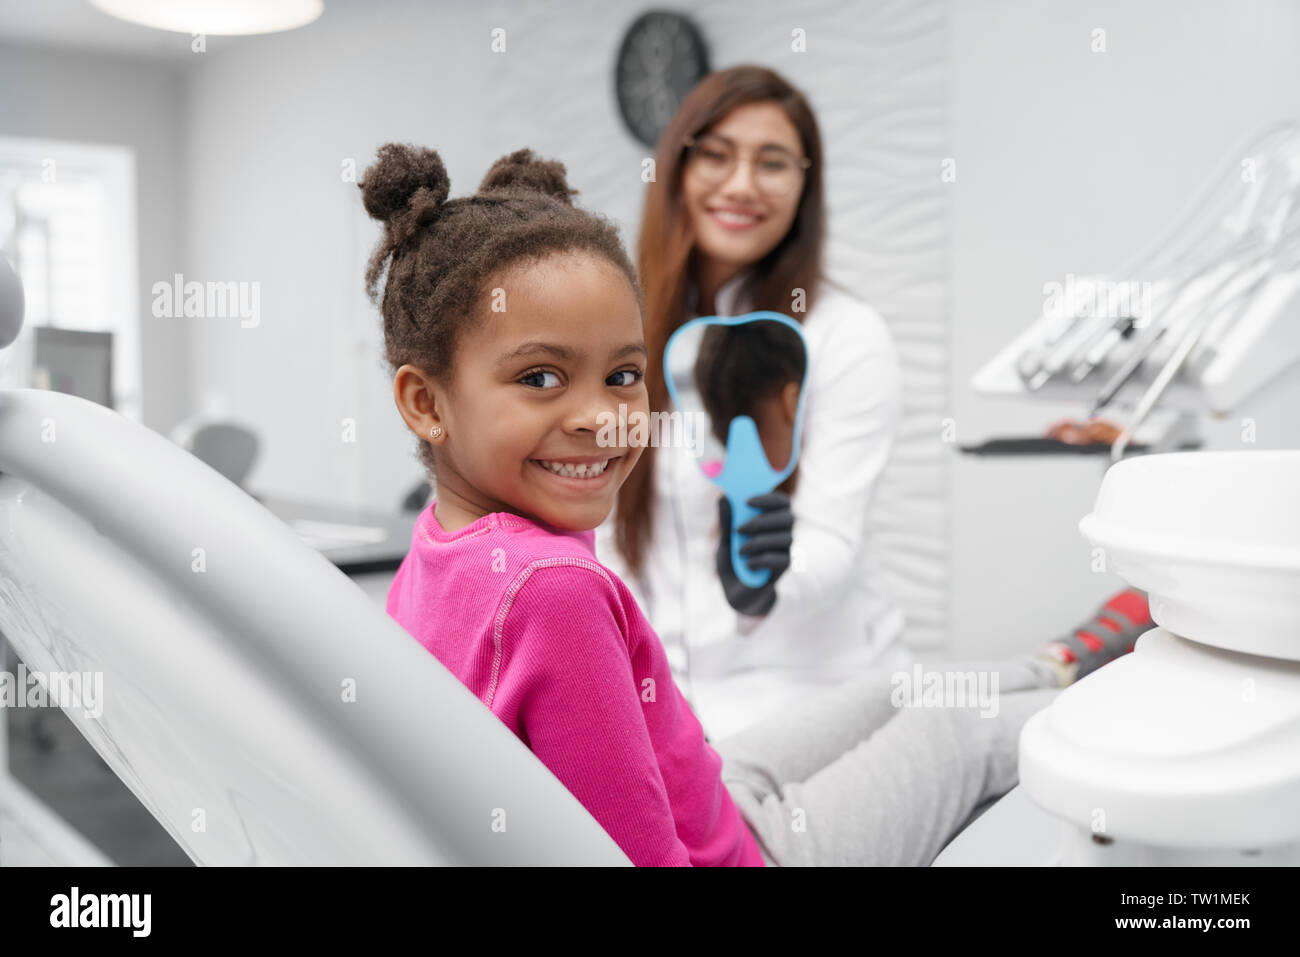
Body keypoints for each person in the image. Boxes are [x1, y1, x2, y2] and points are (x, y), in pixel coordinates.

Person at [367, 142, 1153, 866]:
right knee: (959, 733)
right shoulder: (551, 589)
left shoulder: (436, 545)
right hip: (753, 852)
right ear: (425, 400)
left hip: (708, 780)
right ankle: (1141, 704)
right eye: (540, 377)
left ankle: (1056, 663)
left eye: (623, 375)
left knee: (896, 688)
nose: (601, 415)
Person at [595, 66, 911, 740]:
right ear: (678, 167)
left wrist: (766, 580)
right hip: (663, 699)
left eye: (772, 162)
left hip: (813, 698)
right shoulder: (623, 329)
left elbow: (831, 539)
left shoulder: (844, 336)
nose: (741, 184)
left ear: (805, 187)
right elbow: (605, 527)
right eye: (715, 154)